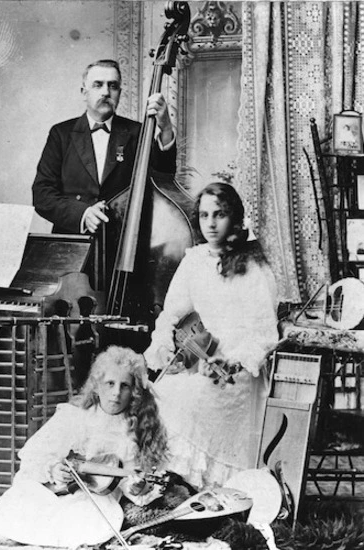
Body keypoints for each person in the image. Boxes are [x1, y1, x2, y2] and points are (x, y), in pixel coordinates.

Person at [144, 182, 279, 489]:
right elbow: (170, 313)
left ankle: (200, 485)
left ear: (234, 219)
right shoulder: (194, 261)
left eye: (219, 214)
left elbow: (264, 333)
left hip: (240, 371)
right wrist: (163, 343)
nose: (211, 224)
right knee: (162, 394)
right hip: (204, 358)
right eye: (204, 215)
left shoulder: (254, 265)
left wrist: (232, 361)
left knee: (189, 397)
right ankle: (168, 489)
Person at [0, 346, 168, 548]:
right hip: (56, 489)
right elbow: (35, 455)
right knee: (23, 502)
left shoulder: (134, 429)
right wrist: (53, 469)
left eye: (125, 386)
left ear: (134, 392)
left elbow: (131, 480)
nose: (116, 393)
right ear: (96, 386)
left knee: (84, 522)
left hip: (96, 500)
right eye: (110, 383)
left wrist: (138, 487)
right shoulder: (75, 416)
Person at [32, 59, 177, 235]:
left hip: (121, 244)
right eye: (98, 85)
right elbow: (42, 194)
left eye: (113, 86)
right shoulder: (61, 134)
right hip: (72, 242)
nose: (106, 92)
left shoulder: (138, 132)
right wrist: (82, 214)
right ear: (84, 92)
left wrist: (166, 128)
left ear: (119, 93)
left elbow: (163, 179)